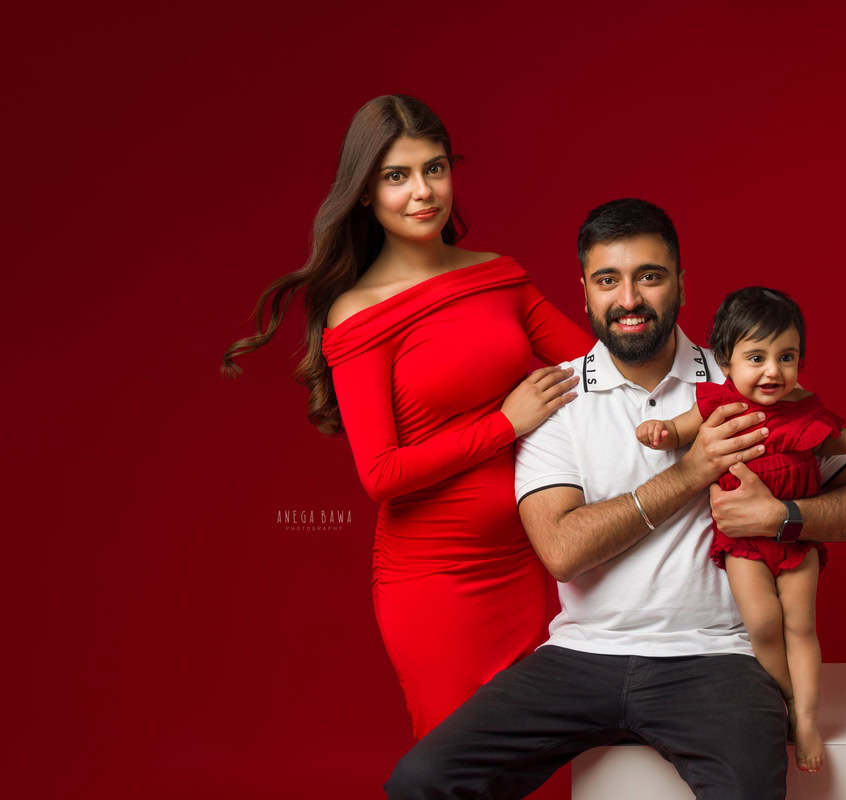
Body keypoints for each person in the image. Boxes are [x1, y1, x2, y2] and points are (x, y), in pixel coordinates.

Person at [384, 198, 846, 799]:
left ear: (681, 282)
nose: (629, 299)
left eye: (649, 276)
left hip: (714, 659)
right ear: (584, 293)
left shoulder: (746, 376)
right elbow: (561, 550)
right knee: (422, 780)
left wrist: (783, 517)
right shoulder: (555, 400)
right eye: (608, 280)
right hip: (581, 655)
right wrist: (693, 470)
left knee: (751, 790)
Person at [221, 94, 592, 742]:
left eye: (435, 168)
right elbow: (381, 475)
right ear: (364, 192)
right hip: (436, 585)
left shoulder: (498, 278)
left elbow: (600, 374)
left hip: (528, 562)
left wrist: (726, 387)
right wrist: (506, 423)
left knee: (532, 767)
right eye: (397, 176)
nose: (423, 192)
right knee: (456, 768)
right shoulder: (358, 314)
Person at [635, 286, 846, 773]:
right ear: (725, 361)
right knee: (763, 626)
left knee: (801, 626)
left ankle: (807, 718)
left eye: (786, 357)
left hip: (796, 539)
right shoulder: (716, 404)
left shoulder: (804, 405)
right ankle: (786, 697)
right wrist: (660, 432)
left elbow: (831, 443)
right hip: (743, 545)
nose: (773, 371)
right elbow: (680, 430)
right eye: (757, 357)